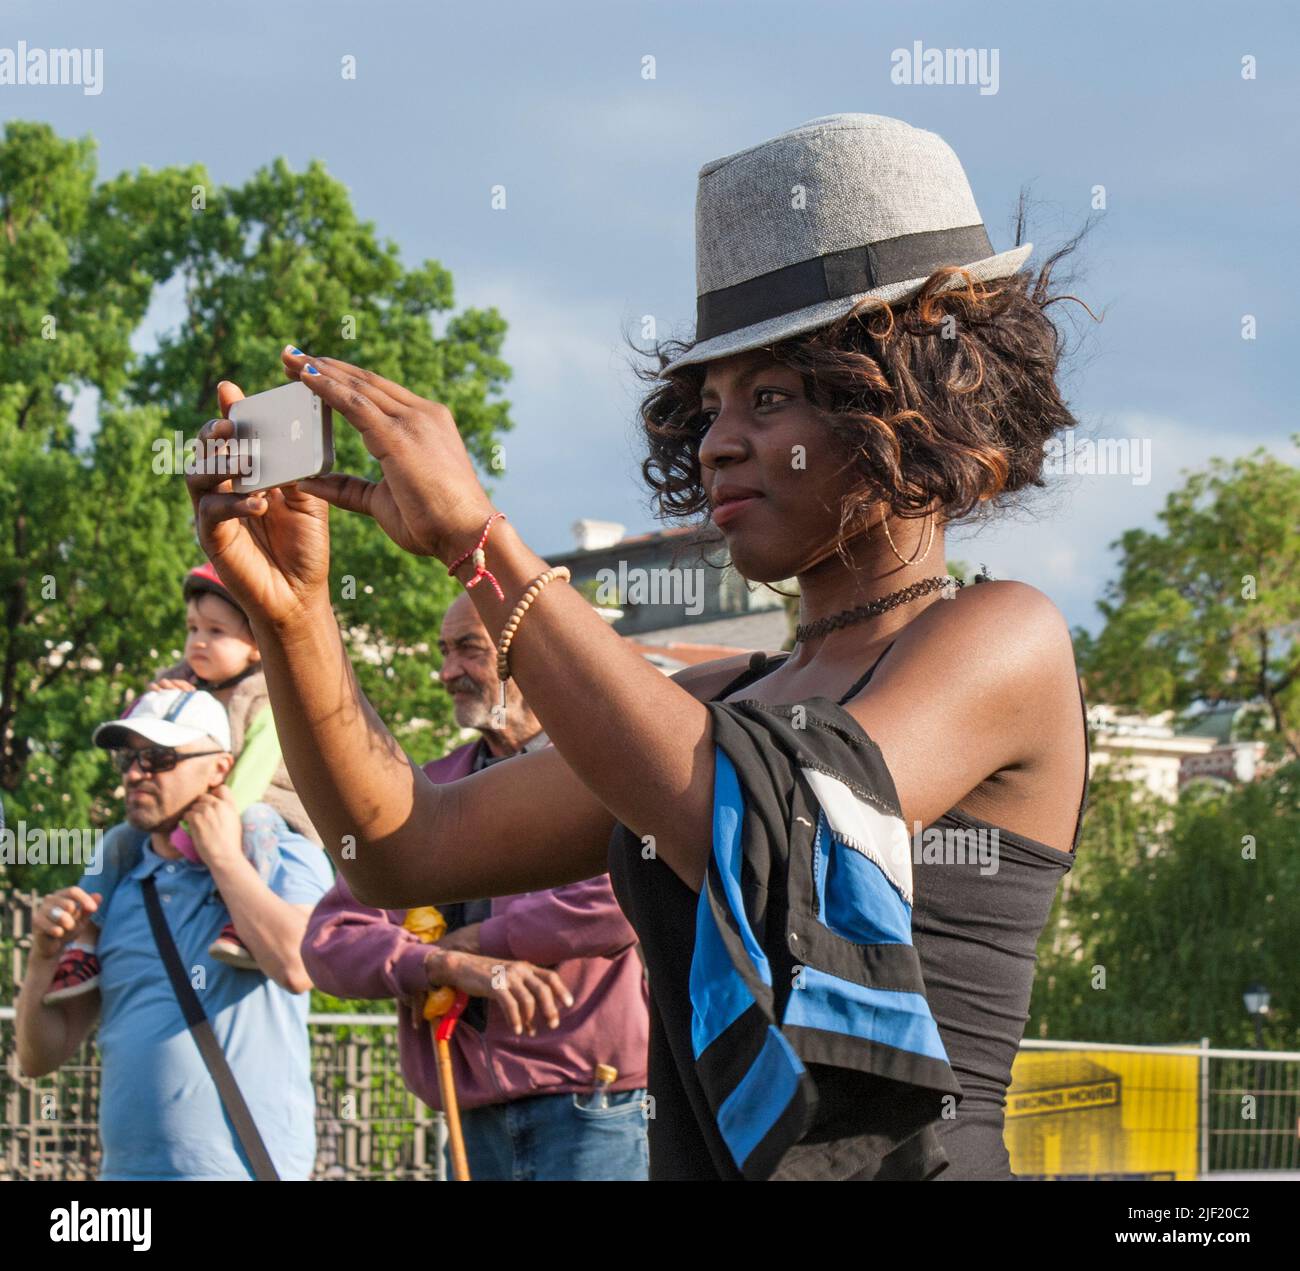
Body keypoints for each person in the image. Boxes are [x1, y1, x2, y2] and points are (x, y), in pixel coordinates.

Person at [186, 113, 1091, 1181]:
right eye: (705, 406)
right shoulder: (716, 700)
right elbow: (398, 849)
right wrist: (296, 618)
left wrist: (483, 545)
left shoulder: (1002, 636)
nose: (715, 441)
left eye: (769, 396)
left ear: (908, 397)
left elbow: (758, 820)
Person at [302, 594, 650, 1181]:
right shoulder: (427, 792)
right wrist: (440, 964)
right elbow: (330, 941)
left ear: (532, 655)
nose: (446, 672)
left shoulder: (607, 768)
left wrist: (480, 940)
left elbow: (620, 898)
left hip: (598, 1111)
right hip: (470, 1119)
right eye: (444, 651)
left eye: (469, 649)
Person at [15, 688, 333, 1180]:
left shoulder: (279, 854)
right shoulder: (118, 887)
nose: (136, 774)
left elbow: (297, 967)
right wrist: (41, 959)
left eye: (160, 758)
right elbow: (40, 1057)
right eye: (128, 759)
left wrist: (225, 859)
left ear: (220, 769)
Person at [43, 562, 322, 1001]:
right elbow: (135, 732)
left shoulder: (269, 695)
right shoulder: (179, 682)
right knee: (118, 840)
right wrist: (163, 702)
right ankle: (84, 942)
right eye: (193, 629)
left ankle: (246, 921)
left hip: (259, 802)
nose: (198, 642)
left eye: (216, 631)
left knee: (256, 822)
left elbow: (252, 769)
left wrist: (208, 828)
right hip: (188, 814)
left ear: (255, 645)